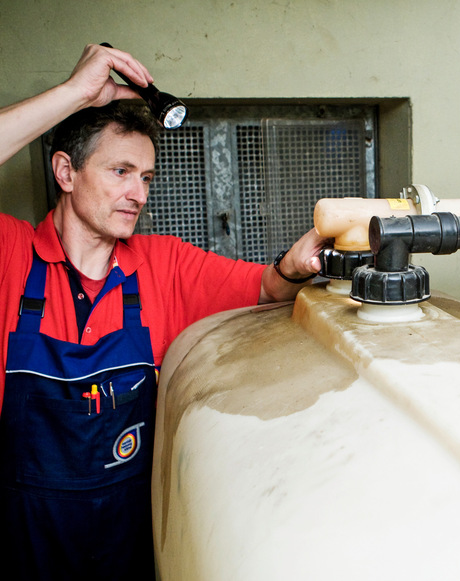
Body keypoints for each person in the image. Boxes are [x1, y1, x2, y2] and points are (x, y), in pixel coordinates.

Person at [0, 44, 328, 580]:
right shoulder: (11, 257)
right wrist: (72, 95)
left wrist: (293, 268)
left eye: (146, 178)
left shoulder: (163, 265)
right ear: (65, 171)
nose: (137, 193)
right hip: (25, 545)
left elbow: (268, 289)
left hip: (128, 546)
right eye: (121, 171)